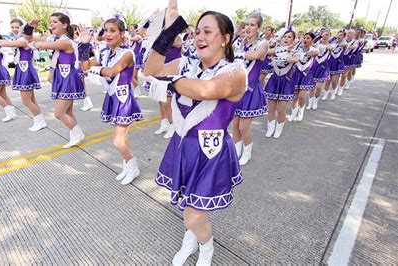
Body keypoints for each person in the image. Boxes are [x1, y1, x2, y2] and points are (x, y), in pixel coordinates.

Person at [144, 1, 246, 264]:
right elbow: (151, 71)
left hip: (210, 152)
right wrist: (168, 31)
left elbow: (206, 91)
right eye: (197, 31)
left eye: (208, 31)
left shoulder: (235, 72)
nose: (200, 36)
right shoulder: (186, 64)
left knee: (193, 215)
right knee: (189, 204)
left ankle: (206, 246)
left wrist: (171, 82)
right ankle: (191, 239)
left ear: (226, 38)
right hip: (183, 145)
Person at [82, 16, 144, 185]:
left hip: (124, 100)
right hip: (111, 97)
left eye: (112, 30)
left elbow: (111, 72)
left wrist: (97, 69)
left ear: (121, 34)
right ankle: (128, 166)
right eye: (106, 30)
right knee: (121, 140)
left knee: (118, 141)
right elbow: (85, 67)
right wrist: (84, 45)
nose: (108, 34)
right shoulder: (104, 52)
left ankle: (133, 166)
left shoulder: (127, 53)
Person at [26, 13, 86, 148]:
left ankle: (78, 134)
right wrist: (30, 27)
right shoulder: (53, 38)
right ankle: (74, 135)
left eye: (54, 22)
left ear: (64, 25)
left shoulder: (65, 42)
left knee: (59, 113)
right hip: (60, 77)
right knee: (68, 111)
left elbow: (39, 44)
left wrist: (33, 43)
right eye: (50, 21)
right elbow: (28, 38)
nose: (51, 24)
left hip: (68, 78)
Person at [0, 18, 47, 131]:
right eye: (12, 27)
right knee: (31, 99)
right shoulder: (19, 38)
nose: (14, 29)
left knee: (26, 100)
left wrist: (0, 41)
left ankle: (40, 121)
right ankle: (39, 121)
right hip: (21, 68)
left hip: (25, 69)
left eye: (17, 27)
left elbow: (7, 43)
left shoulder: (24, 40)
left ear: (22, 28)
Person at [231, 12, 268, 165]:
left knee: (243, 127)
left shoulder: (263, 43)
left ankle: (247, 153)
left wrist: (238, 52)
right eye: (247, 24)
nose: (248, 27)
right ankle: (235, 152)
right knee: (235, 125)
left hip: (251, 89)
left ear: (258, 27)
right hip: (237, 89)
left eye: (252, 25)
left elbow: (256, 55)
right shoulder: (241, 43)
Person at [264, 30, 300, 138]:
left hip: (286, 82)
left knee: (281, 109)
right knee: (271, 108)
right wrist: (282, 50)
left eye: (289, 37)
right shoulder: (277, 50)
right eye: (285, 36)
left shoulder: (295, 52)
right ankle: (270, 128)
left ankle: (278, 129)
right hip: (274, 80)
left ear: (293, 40)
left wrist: (284, 56)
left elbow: (295, 59)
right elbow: (267, 51)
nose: (286, 39)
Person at [288, 32, 318, 122]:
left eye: (308, 38)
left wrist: (303, 52)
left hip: (306, 74)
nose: (305, 39)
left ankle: (300, 111)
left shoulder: (314, 49)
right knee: (295, 96)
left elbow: (314, 53)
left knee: (302, 96)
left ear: (312, 40)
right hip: (297, 73)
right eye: (304, 38)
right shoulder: (298, 49)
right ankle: (293, 113)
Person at [308, 30, 332, 110]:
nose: (325, 36)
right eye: (323, 35)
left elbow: (330, 48)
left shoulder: (331, 45)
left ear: (330, 37)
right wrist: (319, 38)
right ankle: (310, 102)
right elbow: (311, 43)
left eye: (327, 35)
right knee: (312, 86)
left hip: (323, 68)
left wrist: (324, 46)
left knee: (318, 87)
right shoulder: (316, 45)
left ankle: (315, 101)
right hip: (314, 67)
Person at [323, 31, 347, 101]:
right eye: (338, 34)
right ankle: (325, 93)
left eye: (341, 35)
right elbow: (326, 43)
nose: (339, 36)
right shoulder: (332, 42)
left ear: (343, 37)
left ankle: (333, 92)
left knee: (334, 80)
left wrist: (335, 44)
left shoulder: (344, 44)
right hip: (330, 62)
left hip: (338, 63)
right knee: (328, 80)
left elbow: (344, 45)